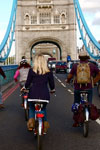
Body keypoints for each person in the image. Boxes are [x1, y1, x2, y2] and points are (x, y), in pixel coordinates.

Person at [21, 54, 55, 132]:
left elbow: (28, 83)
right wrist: (52, 89)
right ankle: (45, 125)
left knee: (32, 108)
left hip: (33, 94)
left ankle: (31, 123)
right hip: (44, 95)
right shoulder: (49, 71)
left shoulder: (31, 70)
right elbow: (52, 84)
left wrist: (25, 88)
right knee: (43, 108)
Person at [66, 51, 100, 126]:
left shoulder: (75, 66)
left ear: (79, 57)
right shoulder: (91, 65)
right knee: (89, 103)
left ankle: (76, 120)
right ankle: (90, 109)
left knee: (76, 103)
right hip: (89, 88)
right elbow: (99, 74)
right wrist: (93, 82)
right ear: (87, 57)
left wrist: (68, 81)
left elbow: (69, 76)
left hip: (78, 88)